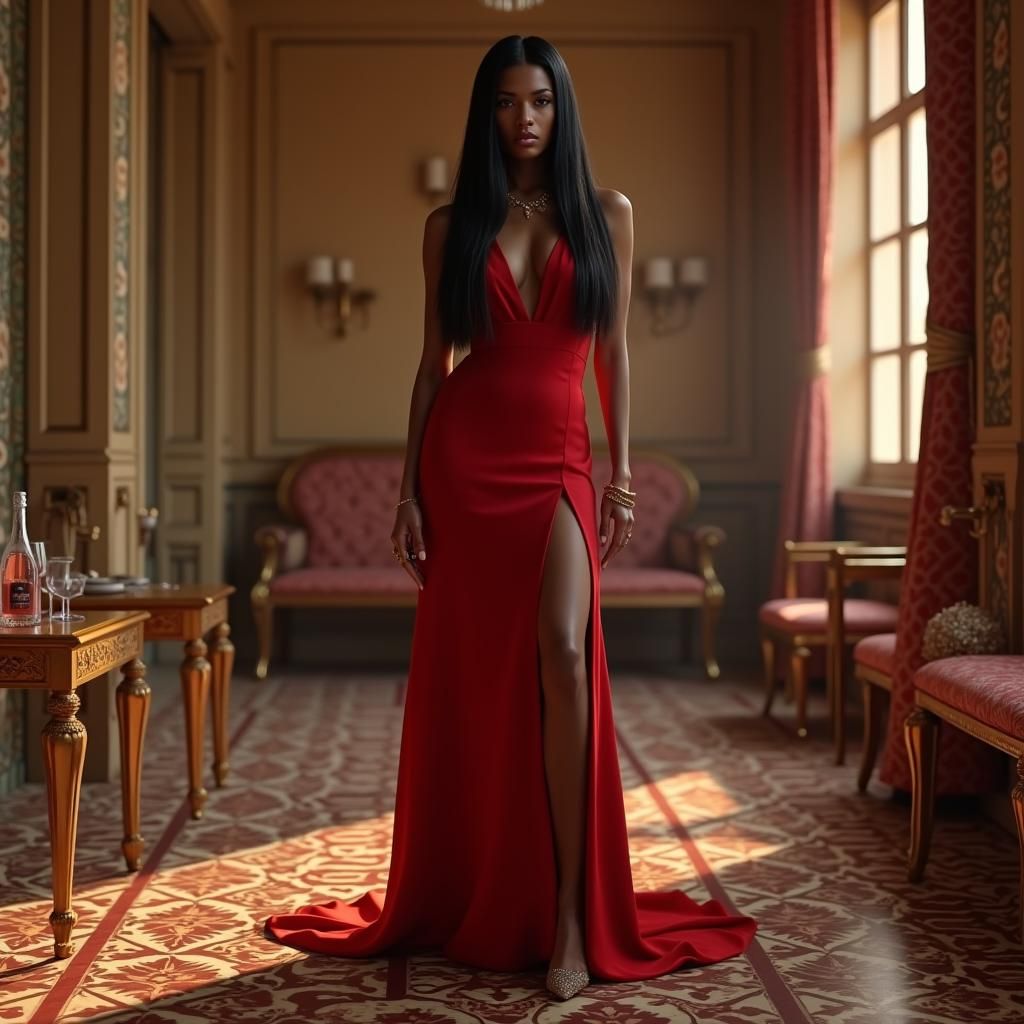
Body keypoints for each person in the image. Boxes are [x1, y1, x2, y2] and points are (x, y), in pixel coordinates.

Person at [264, 34, 757, 1001]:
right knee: (480, 683)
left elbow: (614, 357)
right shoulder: (451, 225)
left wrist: (619, 472)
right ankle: (486, 885)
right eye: (504, 102)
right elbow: (430, 368)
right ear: (486, 112)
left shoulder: (606, 213)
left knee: (563, 658)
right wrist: (407, 490)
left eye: (538, 101)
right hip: (465, 462)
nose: (522, 118)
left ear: (561, 108)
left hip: (560, 464)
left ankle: (571, 912)